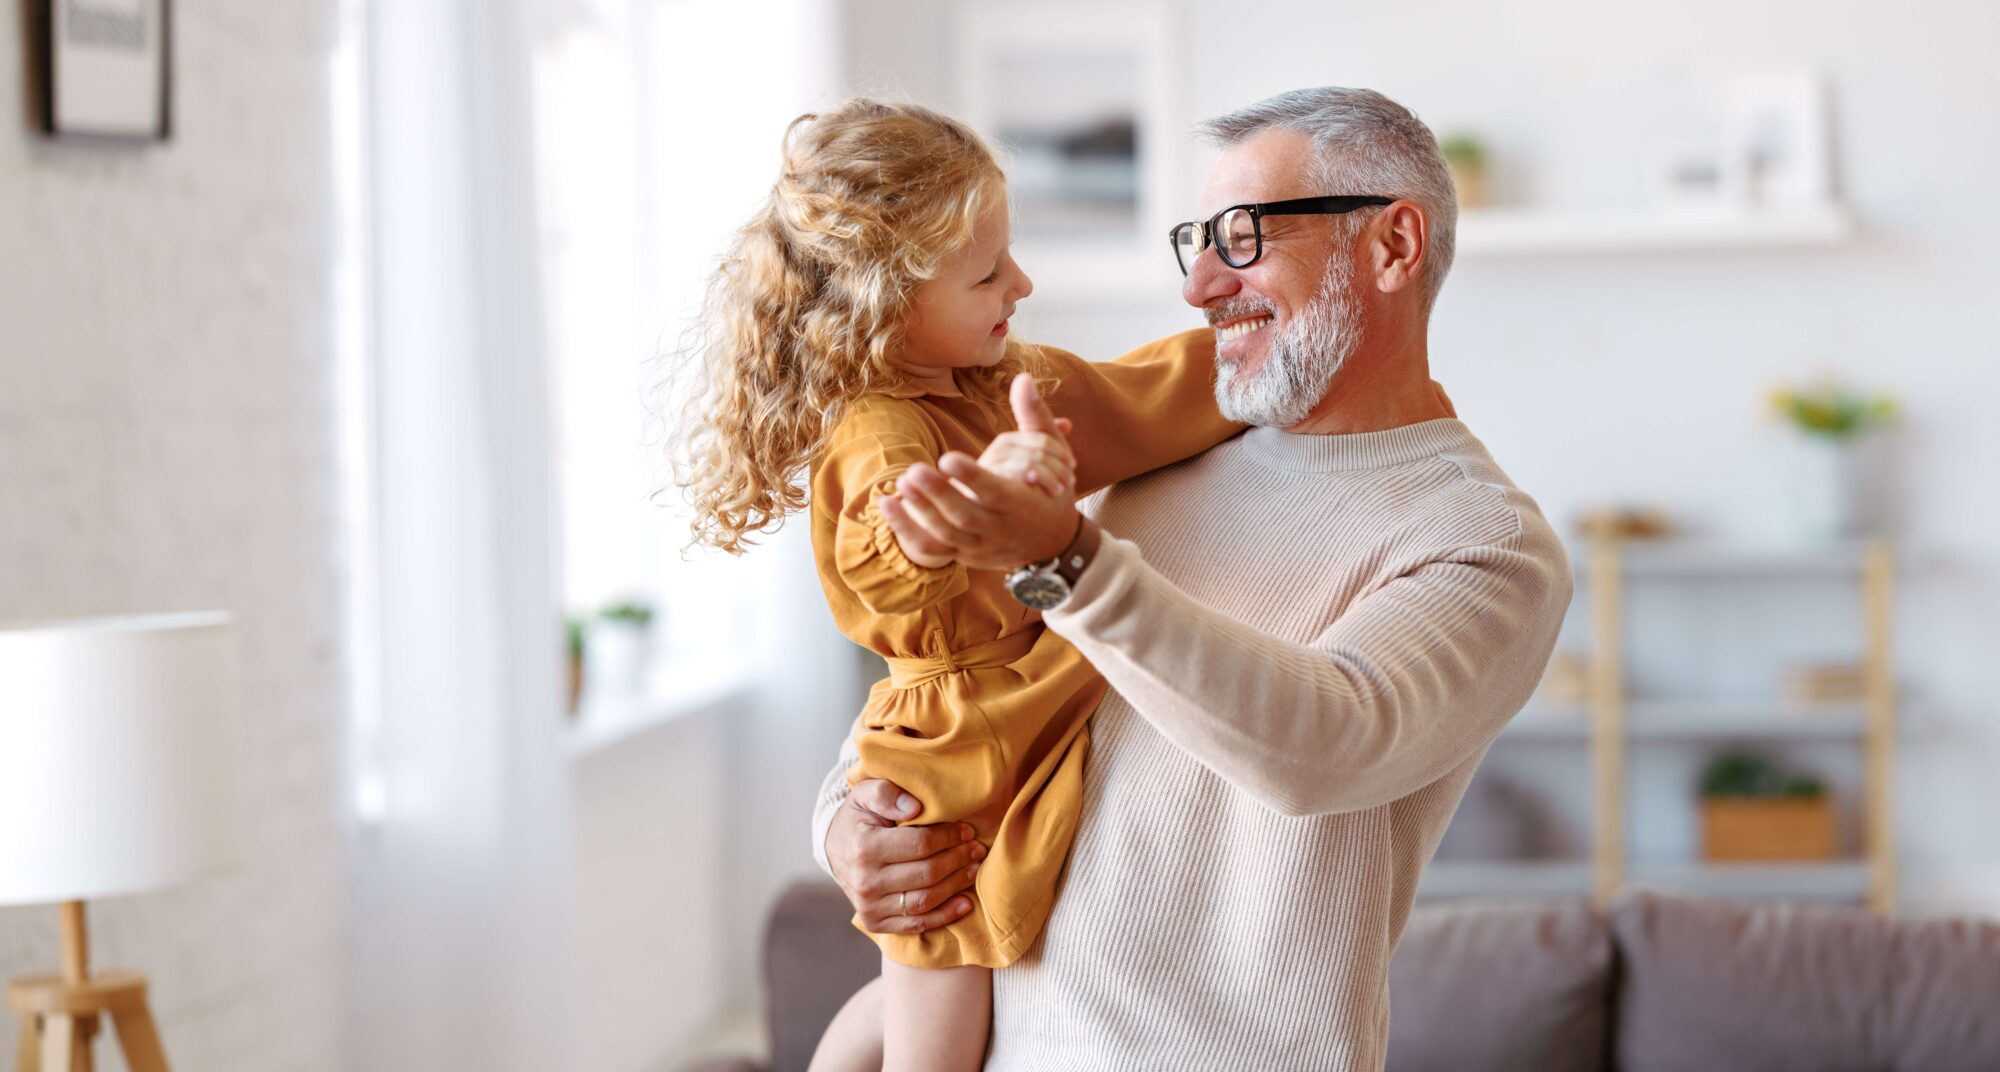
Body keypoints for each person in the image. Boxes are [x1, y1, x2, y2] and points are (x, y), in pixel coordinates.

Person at [812, 87, 1574, 1070]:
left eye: (1244, 237)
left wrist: (1062, 557)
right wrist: (846, 822)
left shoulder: (1482, 541)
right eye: (1196, 240)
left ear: (1391, 246)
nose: (1200, 285)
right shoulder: (1149, 460)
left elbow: (1322, 743)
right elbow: (963, 677)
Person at [670, 99, 1240, 1071]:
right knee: (937, 1008)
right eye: (987, 273)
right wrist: (986, 498)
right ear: (885, 303)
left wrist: (1255, 357)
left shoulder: (999, 381)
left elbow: (1137, 397)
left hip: (1027, 687)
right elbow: (892, 548)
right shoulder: (880, 430)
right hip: (952, 747)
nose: (1020, 282)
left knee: (930, 1004)